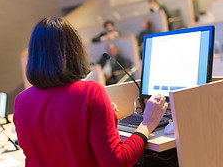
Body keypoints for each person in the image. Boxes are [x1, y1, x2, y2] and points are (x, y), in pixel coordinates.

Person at [13, 17, 168, 167]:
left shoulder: (21, 101)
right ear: (75, 51)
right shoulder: (89, 92)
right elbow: (117, 162)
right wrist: (147, 123)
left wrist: (100, 115)